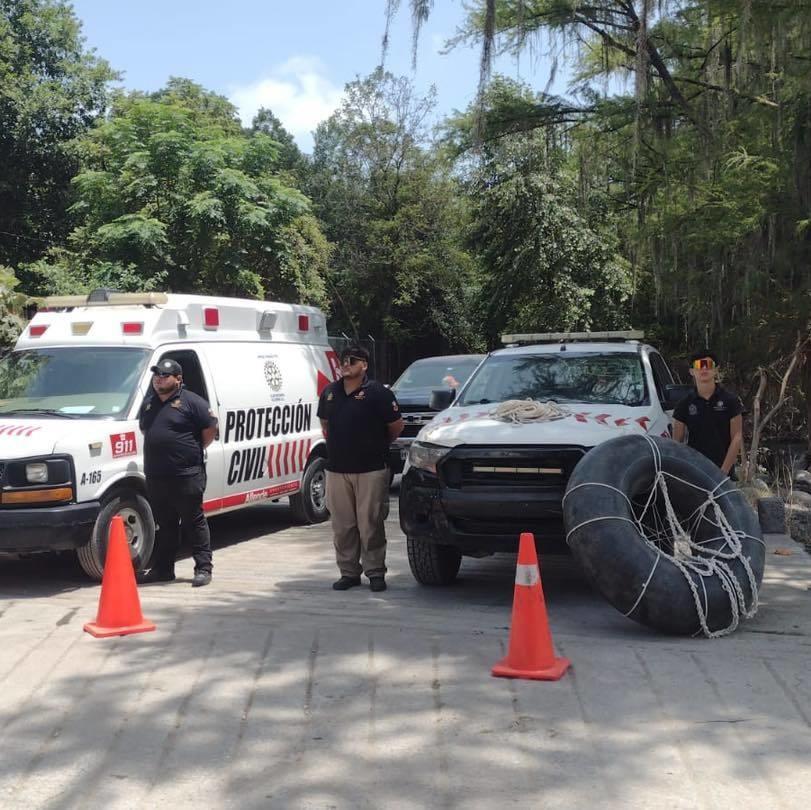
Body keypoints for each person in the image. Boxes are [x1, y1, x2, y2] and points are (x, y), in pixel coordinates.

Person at [317, 346, 404, 592]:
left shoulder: (378, 393)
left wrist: (374, 444)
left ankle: (375, 572)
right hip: (337, 469)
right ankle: (349, 572)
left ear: (364, 365)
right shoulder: (330, 393)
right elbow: (325, 423)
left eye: (352, 361)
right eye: (343, 360)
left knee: (370, 524)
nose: (346, 364)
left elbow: (396, 427)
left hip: (371, 469)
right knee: (343, 526)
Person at [138, 358, 218, 587]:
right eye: (156, 375)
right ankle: (163, 569)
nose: (158, 379)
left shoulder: (192, 402)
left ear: (178, 379)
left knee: (194, 522)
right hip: (156, 475)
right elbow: (146, 429)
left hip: (186, 475)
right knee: (165, 524)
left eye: (164, 375)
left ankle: (203, 568)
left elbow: (210, 429)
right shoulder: (149, 403)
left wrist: (191, 450)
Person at [673, 350, 743, 477]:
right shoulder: (684, 404)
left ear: (716, 370)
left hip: (724, 473)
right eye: (699, 365)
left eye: (708, 365)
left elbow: (737, 438)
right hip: (695, 472)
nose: (704, 369)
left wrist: (723, 472)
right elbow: (677, 442)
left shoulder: (731, 401)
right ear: (692, 371)